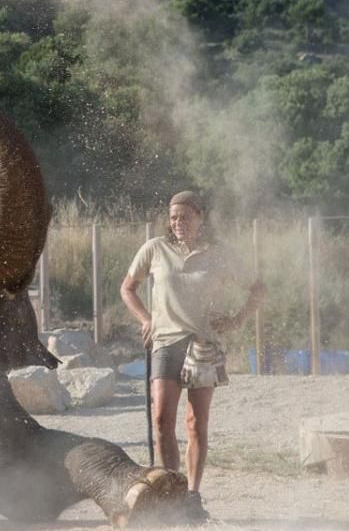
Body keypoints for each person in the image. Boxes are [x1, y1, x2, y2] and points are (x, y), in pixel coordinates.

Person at [119, 191, 265, 522]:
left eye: (185, 216)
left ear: (201, 217)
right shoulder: (155, 248)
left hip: (204, 342)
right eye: (173, 217)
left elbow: (258, 288)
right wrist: (145, 319)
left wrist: (237, 320)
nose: (178, 223)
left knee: (196, 422)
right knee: (161, 419)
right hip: (165, 341)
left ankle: (192, 495)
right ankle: (170, 490)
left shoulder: (220, 254)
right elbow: (127, 288)